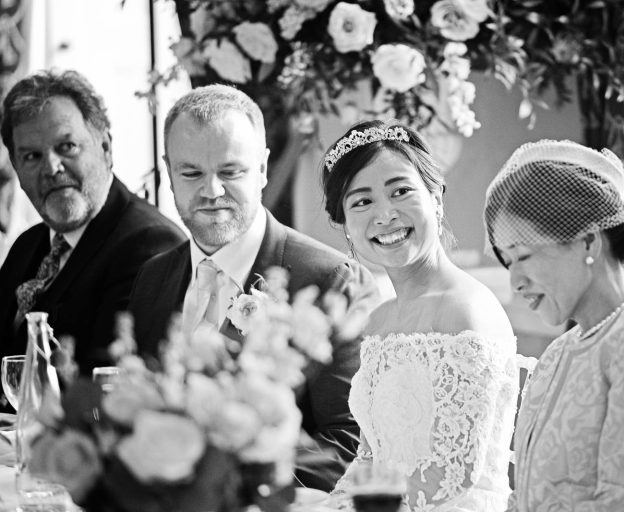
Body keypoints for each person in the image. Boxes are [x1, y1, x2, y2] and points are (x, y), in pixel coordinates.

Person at [127, 84, 379, 492]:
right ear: (169, 171)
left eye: (230, 172)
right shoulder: (152, 278)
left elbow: (347, 446)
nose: (211, 191)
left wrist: (232, 493)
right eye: (191, 173)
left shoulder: (331, 281)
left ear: (262, 168)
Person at [483, 139, 624, 511]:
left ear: (587, 241)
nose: (515, 281)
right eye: (507, 262)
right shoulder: (558, 352)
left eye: (523, 255)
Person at [323, 120, 518, 511]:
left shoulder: (465, 310)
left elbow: (451, 475)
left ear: (436, 199)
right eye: (362, 202)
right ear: (345, 226)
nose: (385, 214)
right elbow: (369, 455)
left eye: (401, 191)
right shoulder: (379, 321)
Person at [0, 70, 185, 388]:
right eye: (31, 156)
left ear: (106, 147)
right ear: (16, 169)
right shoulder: (26, 245)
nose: (51, 167)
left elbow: (103, 384)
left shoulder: (151, 245)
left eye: (67, 146)